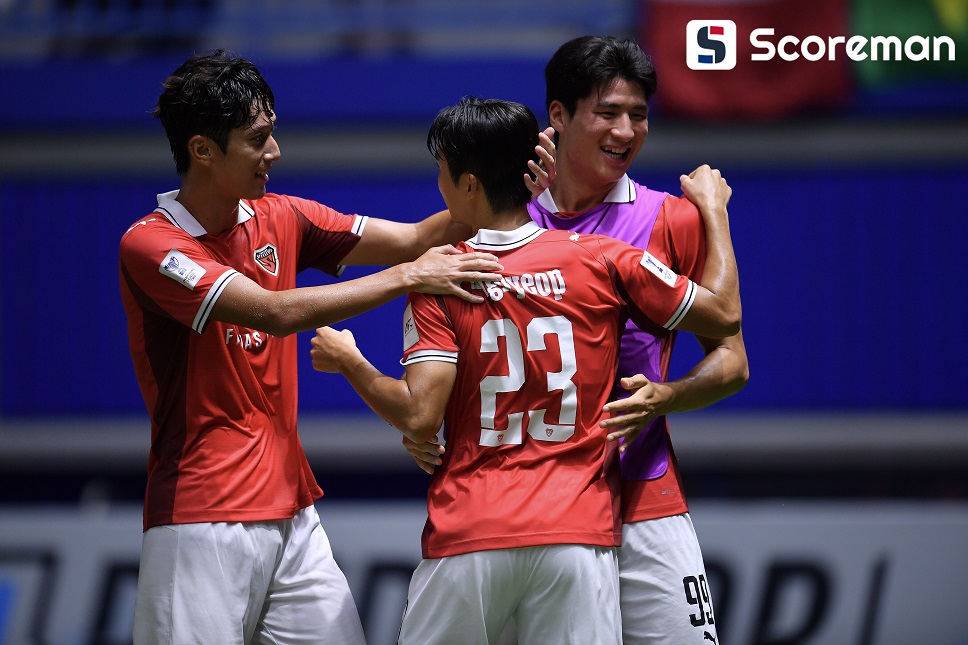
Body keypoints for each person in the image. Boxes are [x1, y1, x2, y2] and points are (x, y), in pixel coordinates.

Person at [117, 50, 557, 644]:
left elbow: (416, 239)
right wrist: (408, 278)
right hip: (200, 518)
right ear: (202, 150)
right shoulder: (151, 246)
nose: (274, 152)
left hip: (293, 514)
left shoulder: (284, 215)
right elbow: (273, 313)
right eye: (258, 140)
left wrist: (514, 184)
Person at [310, 96, 740, 645]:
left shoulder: (441, 279)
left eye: (441, 174)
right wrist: (714, 214)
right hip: (579, 537)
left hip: (471, 534)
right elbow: (723, 313)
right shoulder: (605, 259)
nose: (438, 186)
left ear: (468, 185)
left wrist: (350, 362)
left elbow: (419, 418)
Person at [406, 36, 750, 644]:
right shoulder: (503, 213)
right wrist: (426, 427)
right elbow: (441, 339)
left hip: (643, 492)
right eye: (609, 112)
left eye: (638, 115)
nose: (626, 130)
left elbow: (732, 360)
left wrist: (667, 395)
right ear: (558, 117)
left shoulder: (672, 219)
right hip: (524, 510)